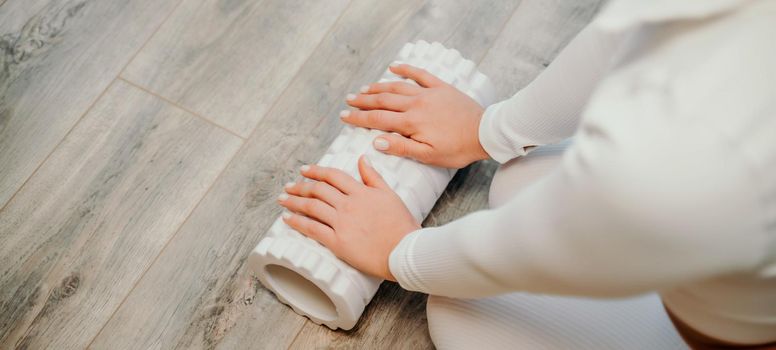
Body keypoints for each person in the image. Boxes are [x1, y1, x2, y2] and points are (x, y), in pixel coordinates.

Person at [277, 0, 776, 348]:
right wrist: (491, 129)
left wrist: (400, 254)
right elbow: (631, 28)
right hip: (725, 236)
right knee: (522, 174)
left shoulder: (702, 172)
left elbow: (550, 244)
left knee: (462, 315)